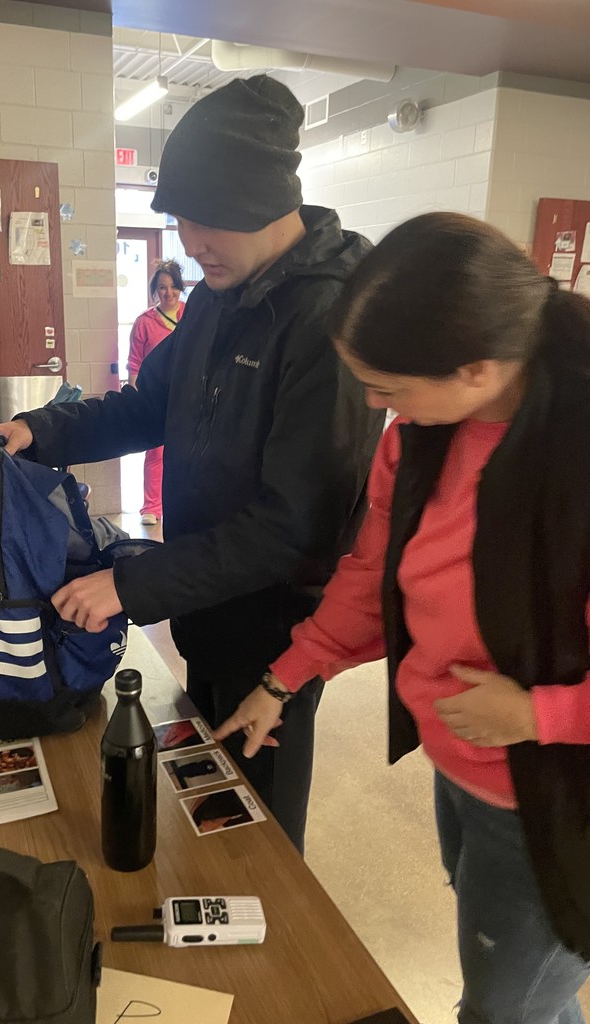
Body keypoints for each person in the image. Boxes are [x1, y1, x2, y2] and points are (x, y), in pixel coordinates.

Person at [214, 212, 590, 1023]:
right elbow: (371, 580)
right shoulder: (421, 436)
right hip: (466, 765)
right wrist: (283, 680)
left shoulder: (571, 455)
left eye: (388, 388)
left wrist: (540, 714)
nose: (375, 405)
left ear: (476, 369)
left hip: (555, 791)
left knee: (503, 1009)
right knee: (518, 987)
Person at [0, 74, 383, 851]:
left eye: (204, 221)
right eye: (180, 221)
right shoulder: (214, 299)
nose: (188, 243)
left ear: (262, 200)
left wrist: (129, 585)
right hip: (204, 609)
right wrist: (38, 431)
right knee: (209, 810)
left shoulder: (330, 318)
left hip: (273, 637)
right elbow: (146, 406)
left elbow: (293, 531)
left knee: (259, 841)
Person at [126, 259, 185, 525]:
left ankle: (182, 505)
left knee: (186, 451)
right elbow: (135, 363)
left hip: (188, 394)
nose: (168, 292)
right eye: (162, 287)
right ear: (154, 290)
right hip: (156, 396)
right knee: (155, 452)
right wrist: (136, 397)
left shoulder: (192, 314)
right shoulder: (144, 322)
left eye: (173, 286)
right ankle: (151, 506)